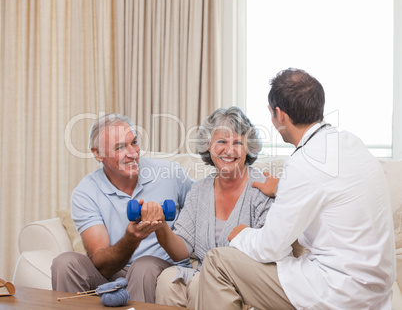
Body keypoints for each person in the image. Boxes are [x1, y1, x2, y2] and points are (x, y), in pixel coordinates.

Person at [196, 68, 396, 309]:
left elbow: (268, 247)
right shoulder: (352, 143)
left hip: (338, 290)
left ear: (279, 115)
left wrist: (241, 235)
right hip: (376, 289)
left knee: (218, 261)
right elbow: (332, 190)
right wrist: (282, 189)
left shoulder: (303, 162)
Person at [51, 113, 194, 302]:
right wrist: (131, 238)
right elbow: (102, 264)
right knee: (64, 263)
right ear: (97, 153)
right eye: (120, 147)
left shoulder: (171, 174)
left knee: (144, 266)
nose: (133, 153)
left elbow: (201, 212)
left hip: (159, 267)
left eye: (134, 142)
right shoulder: (85, 192)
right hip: (114, 269)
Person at [153, 106, 274, 309]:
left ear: (248, 148)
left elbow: (268, 250)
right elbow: (181, 251)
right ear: (208, 146)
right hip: (202, 274)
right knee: (168, 279)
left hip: (244, 280)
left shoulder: (262, 188)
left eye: (237, 142)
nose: (229, 150)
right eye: (221, 142)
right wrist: (160, 227)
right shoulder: (199, 190)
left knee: (201, 284)